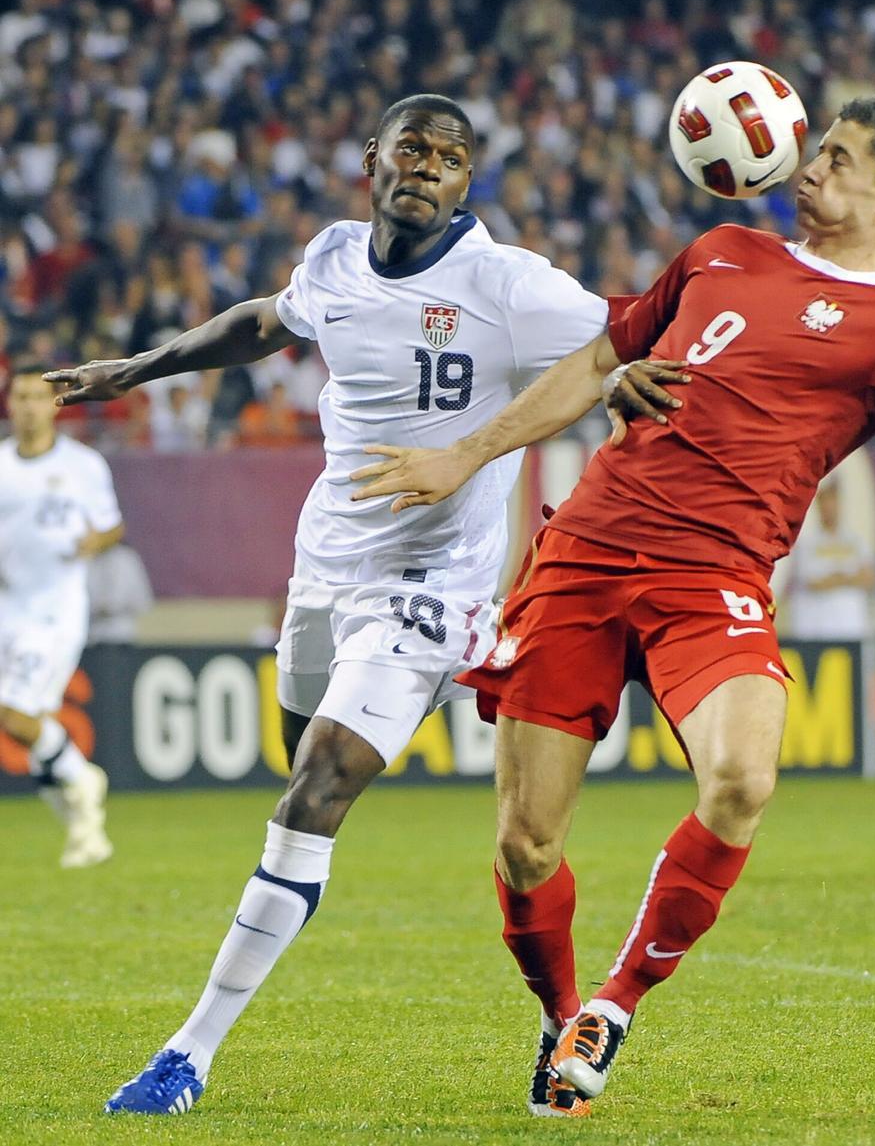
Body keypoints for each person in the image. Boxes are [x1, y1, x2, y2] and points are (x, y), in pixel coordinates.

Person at [348, 96, 875, 1113]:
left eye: (842, 161)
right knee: (524, 841)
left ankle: (617, 1000)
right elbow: (599, 362)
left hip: (713, 580)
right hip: (587, 551)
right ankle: (559, 1018)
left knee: (742, 778)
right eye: (817, 151)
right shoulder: (720, 249)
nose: (812, 168)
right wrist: (468, 452)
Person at [48, 94, 678, 1118]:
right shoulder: (336, 253)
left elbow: (618, 340)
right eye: (412, 149)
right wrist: (138, 366)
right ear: (373, 160)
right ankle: (328, 893)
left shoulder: (509, 284)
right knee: (296, 770)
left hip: (435, 583)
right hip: (324, 567)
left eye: (451, 157)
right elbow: (267, 320)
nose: (428, 167)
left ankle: (186, 1052)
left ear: (469, 180)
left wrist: (625, 374)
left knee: (316, 785)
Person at [0, 363, 124, 868]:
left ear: (54, 405)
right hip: (10, 603)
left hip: (56, 607)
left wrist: (90, 542)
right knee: (19, 725)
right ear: (9, 404)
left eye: (36, 397)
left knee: (18, 717)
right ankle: (82, 824)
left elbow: (111, 526)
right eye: (20, 397)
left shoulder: (83, 465)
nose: (28, 406)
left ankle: (80, 778)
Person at [777, 476, 875, 639]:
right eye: (825, 501)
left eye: (833, 500)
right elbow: (813, 581)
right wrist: (848, 578)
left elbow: (869, 578)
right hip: (817, 629)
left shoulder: (855, 541)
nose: (829, 506)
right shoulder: (806, 543)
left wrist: (836, 578)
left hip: (851, 627)